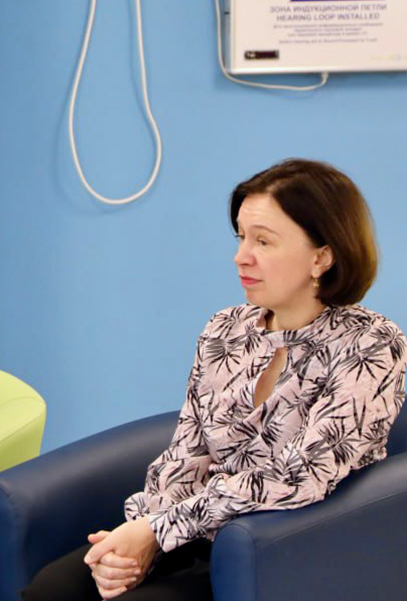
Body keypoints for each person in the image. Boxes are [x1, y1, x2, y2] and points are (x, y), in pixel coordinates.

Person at [24, 159, 407, 601]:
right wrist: (139, 540)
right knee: (52, 589)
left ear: (321, 257)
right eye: (241, 237)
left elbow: (301, 476)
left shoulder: (372, 344)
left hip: (283, 546)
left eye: (263, 241)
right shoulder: (226, 329)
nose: (241, 256)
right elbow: (186, 451)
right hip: (194, 529)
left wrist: (157, 531)